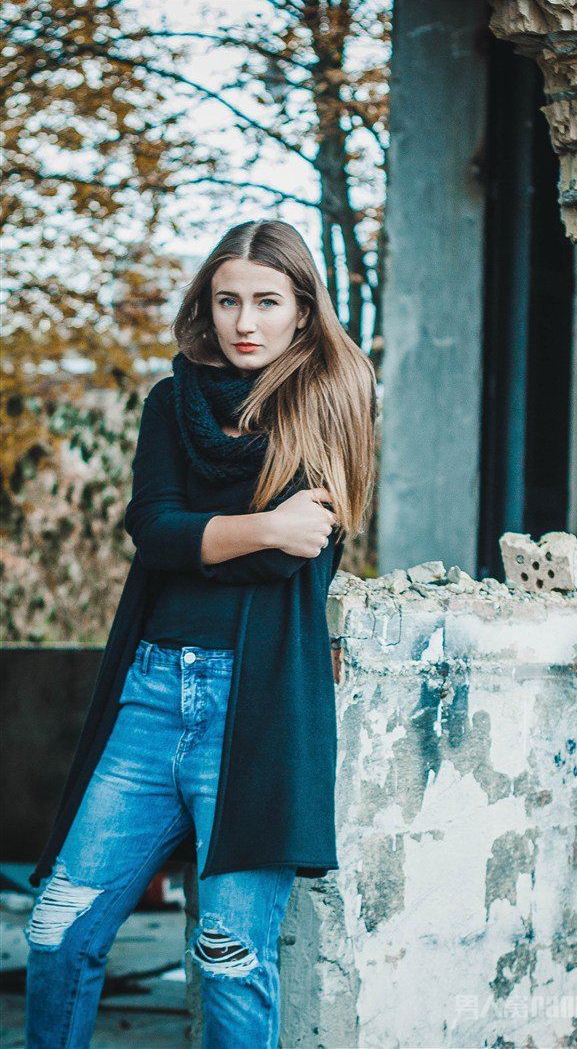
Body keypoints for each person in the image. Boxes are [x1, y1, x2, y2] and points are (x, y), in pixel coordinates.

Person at [24, 219, 377, 1049]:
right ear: (206, 305)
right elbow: (154, 534)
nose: (244, 322)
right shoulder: (170, 401)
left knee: (229, 957)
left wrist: (204, 540)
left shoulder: (332, 398)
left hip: (257, 708)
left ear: (303, 309)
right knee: (57, 927)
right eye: (227, 301)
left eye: (266, 301)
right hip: (150, 696)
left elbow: (295, 554)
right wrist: (261, 526)